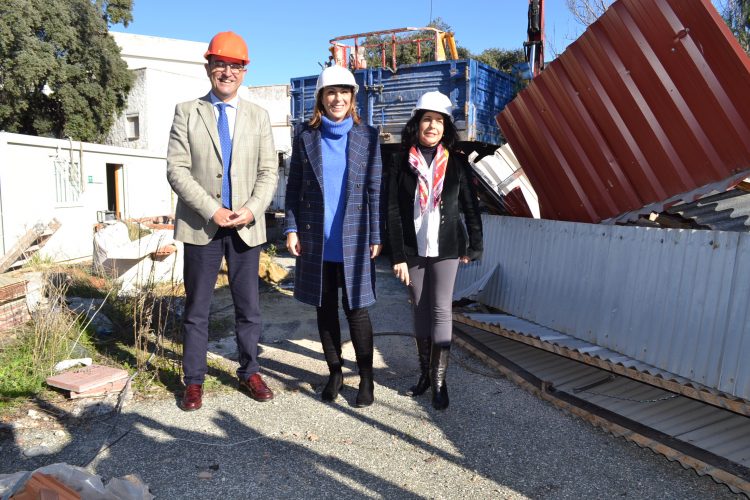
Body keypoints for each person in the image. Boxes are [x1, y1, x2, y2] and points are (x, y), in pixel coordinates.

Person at [166, 31, 278, 411]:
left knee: (248, 307)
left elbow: (269, 172)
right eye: (221, 64)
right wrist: (211, 209)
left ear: (244, 71)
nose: (227, 72)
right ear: (209, 66)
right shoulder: (186, 111)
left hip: (246, 226)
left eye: (235, 65)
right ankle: (193, 380)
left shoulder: (259, 117)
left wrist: (251, 208)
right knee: (198, 308)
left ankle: (250, 371)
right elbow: (177, 170)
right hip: (203, 226)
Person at [285, 65, 383, 407]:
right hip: (317, 238)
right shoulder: (305, 136)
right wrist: (291, 227)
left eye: (344, 92)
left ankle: (367, 379)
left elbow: (374, 188)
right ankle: (335, 373)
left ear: (353, 97)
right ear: (321, 99)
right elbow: (294, 185)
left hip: (354, 238)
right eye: (331, 92)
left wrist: (375, 234)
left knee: (357, 310)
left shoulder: (367, 136)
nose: (337, 98)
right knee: (324, 310)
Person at [386, 91, 483, 410]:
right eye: (427, 119)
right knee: (419, 308)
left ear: (445, 128)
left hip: (447, 247)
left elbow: (469, 206)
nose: (432, 126)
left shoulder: (456, 163)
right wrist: (397, 255)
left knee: (441, 309)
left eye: (438, 121)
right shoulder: (401, 162)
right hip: (413, 249)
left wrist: (475, 245)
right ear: (417, 124)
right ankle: (425, 375)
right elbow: (393, 211)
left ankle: (440, 382)